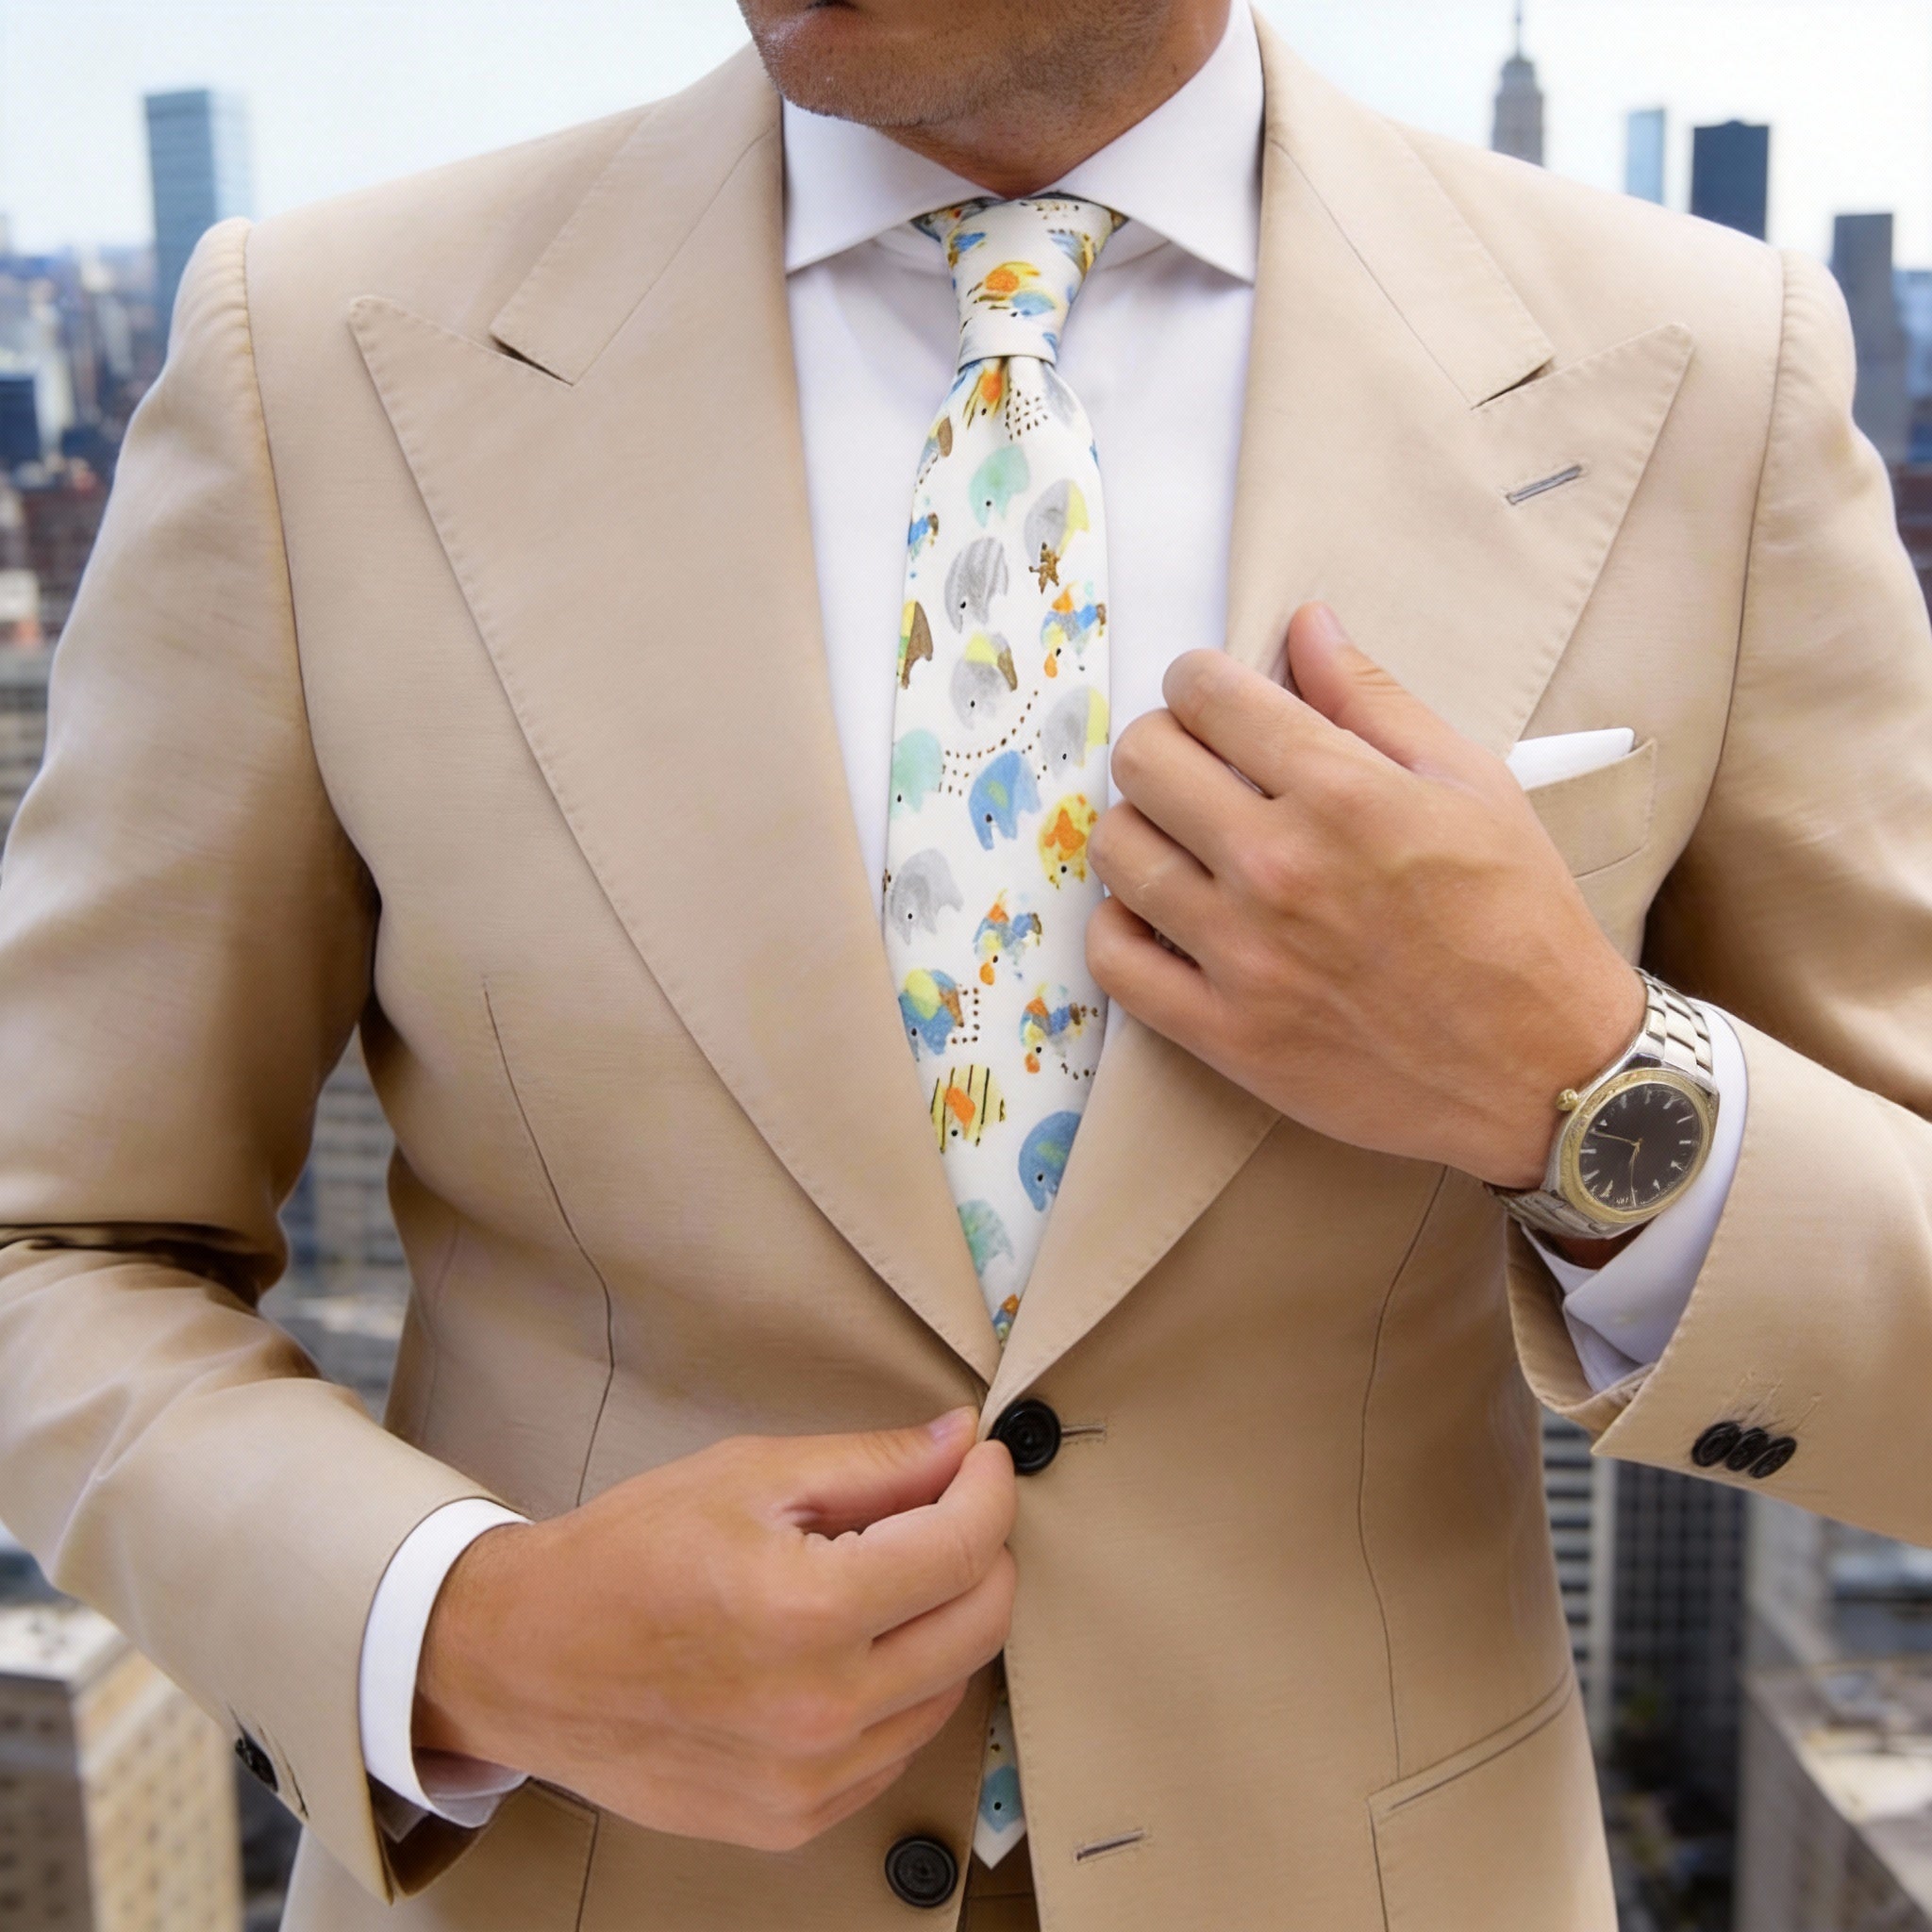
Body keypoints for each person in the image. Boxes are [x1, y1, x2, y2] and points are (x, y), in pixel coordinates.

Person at [2, 0, 1929, 1926]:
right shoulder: (318, 359)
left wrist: (1589, 1089)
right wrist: (462, 1629)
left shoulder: (1702, 377)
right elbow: (53, 1239)